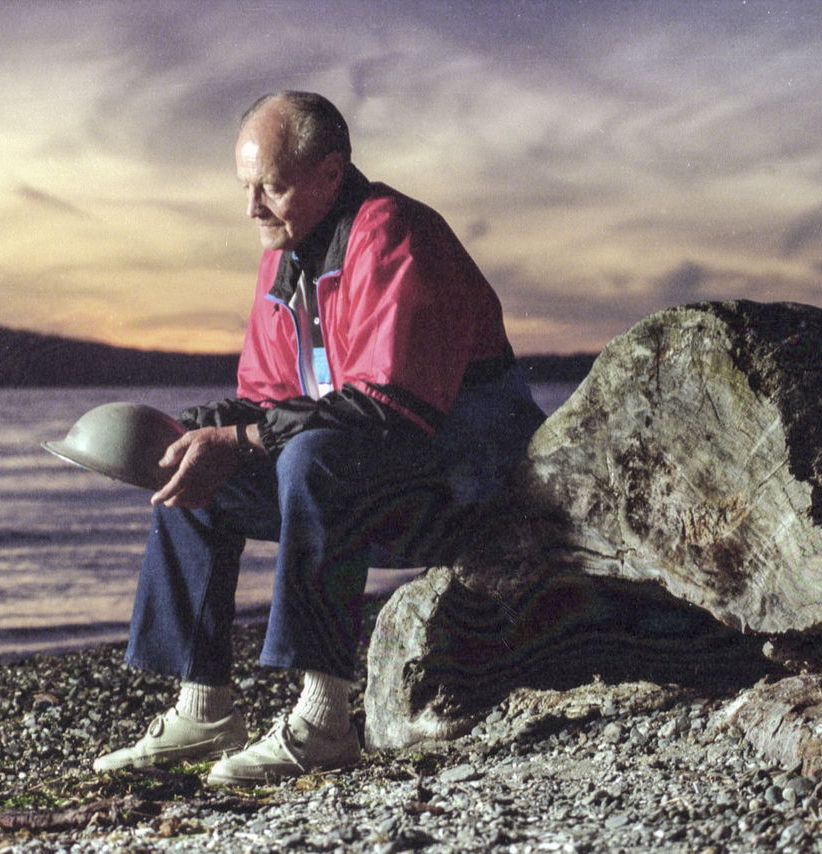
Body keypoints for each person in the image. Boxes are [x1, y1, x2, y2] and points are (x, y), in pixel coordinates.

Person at [92, 91, 544, 784]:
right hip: (371, 480)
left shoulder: (395, 234)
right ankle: (203, 704)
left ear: (332, 173)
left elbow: (395, 408)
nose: (252, 209)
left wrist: (243, 437)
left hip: (470, 491)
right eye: (246, 188)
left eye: (271, 187)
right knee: (195, 468)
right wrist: (196, 430)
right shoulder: (283, 256)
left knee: (310, 457)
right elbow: (269, 401)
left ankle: (323, 719)